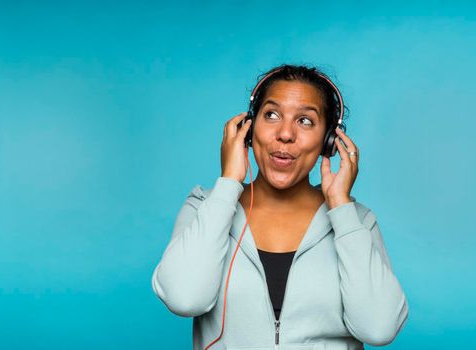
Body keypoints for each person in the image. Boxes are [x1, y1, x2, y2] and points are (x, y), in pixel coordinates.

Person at [152, 64, 409, 350]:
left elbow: (379, 328)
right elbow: (184, 298)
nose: (285, 133)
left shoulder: (357, 222)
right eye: (271, 115)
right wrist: (228, 185)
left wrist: (341, 208)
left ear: (329, 141)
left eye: (305, 121)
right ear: (248, 130)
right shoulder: (205, 206)